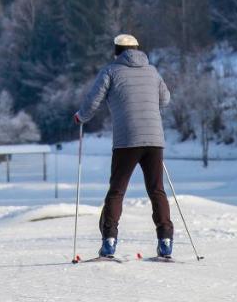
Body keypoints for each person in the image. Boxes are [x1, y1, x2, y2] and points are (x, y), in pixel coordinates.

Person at [74, 33, 174, 259]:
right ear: (138, 49)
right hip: (154, 139)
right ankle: (165, 241)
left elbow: (92, 102)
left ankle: (109, 241)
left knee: (117, 191)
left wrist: (80, 118)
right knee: (156, 190)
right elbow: (165, 100)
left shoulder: (110, 71)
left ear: (116, 51)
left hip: (127, 140)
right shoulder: (152, 71)